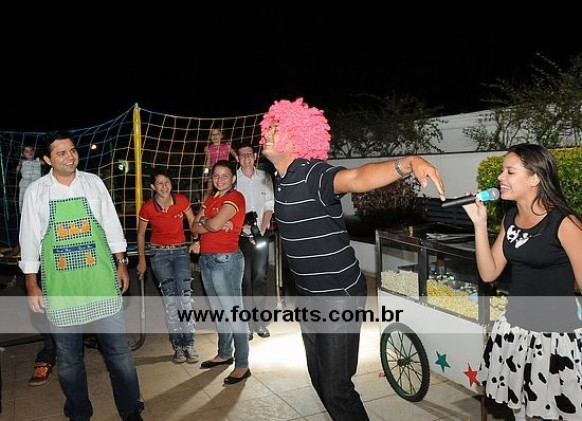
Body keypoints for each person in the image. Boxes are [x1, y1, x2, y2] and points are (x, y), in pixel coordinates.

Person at [258, 97, 446, 420]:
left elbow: (356, 178)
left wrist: (407, 163)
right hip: (307, 295)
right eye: (269, 128)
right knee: (320, 380)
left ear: (297, 137)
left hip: (337, 295)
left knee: (337, 389)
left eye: (276, 129)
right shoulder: (282, 180)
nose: (267, 133)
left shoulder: (312, 173)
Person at [18, 131, 144, 420]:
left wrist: (121, 262)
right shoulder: (37, 192)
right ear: (47, 159)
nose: (70, 156)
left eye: (72, 150)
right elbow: (29, 239)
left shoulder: (93, 183)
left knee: (119, 353)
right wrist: (31, 282)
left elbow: (111, 224)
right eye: (61, 153)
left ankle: (131, 410)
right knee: (69, 359)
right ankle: (78, 412)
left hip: (100, 280)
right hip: (62, 287)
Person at [462, 143, 582, 421]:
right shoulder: (511, 218)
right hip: (516, 332)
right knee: (521, 411)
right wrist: (479, 224)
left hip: (553, 339)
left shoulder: (564, 222)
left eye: (510, 171)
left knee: (551, 413)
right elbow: (489, 272)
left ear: (535, 178)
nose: (500, 177)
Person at [191, 160, 251, 385]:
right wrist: (209, 222)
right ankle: (224, 353)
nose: (220, 179)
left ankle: (242, 364)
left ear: (233, 178)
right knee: (219, 311)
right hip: (206, 260)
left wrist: (207, 222)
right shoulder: (210, 199)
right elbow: (194, 227)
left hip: (226, 261)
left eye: (225, 175)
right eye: (216, 175)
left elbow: (212, 226)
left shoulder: (235, 197)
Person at [136, 167, 199, 364]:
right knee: (171, 301)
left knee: (184, 298)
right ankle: (178, 345)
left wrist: (196, 240)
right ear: (153, 186)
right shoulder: (147, 207)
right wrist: (142, 260)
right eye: (160, 183)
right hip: (159, 255)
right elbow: (140, 234)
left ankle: (189, 343)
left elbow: (193, 222)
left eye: (167, 182)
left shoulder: (181, 200)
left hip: (180, 252)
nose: (164, 187)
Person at [235, 141, 275, 340]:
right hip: (239, 237)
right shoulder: (233, 179)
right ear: (237, 158)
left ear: (255, 156)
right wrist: (241, 227)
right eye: (242, 155)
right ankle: (246, 323)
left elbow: (269, 204)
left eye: (249, 154)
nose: (246, 158)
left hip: (261, 234)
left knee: (260, 277)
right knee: (244, 280)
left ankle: (259, 321)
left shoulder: (264, 177)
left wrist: (262, 228)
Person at [202, 128, 236, 200]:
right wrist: (205, 173)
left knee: (227, 188)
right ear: (210, 137)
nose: (215, 136)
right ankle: (204, 204)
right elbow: (207, 162)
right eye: (212, 134)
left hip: (225, 170)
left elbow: (234, 154)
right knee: (209, 189)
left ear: (221, 135)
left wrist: (237, 158)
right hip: (213, 170)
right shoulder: (209, 148)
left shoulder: (227, 146)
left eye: (217, 134)